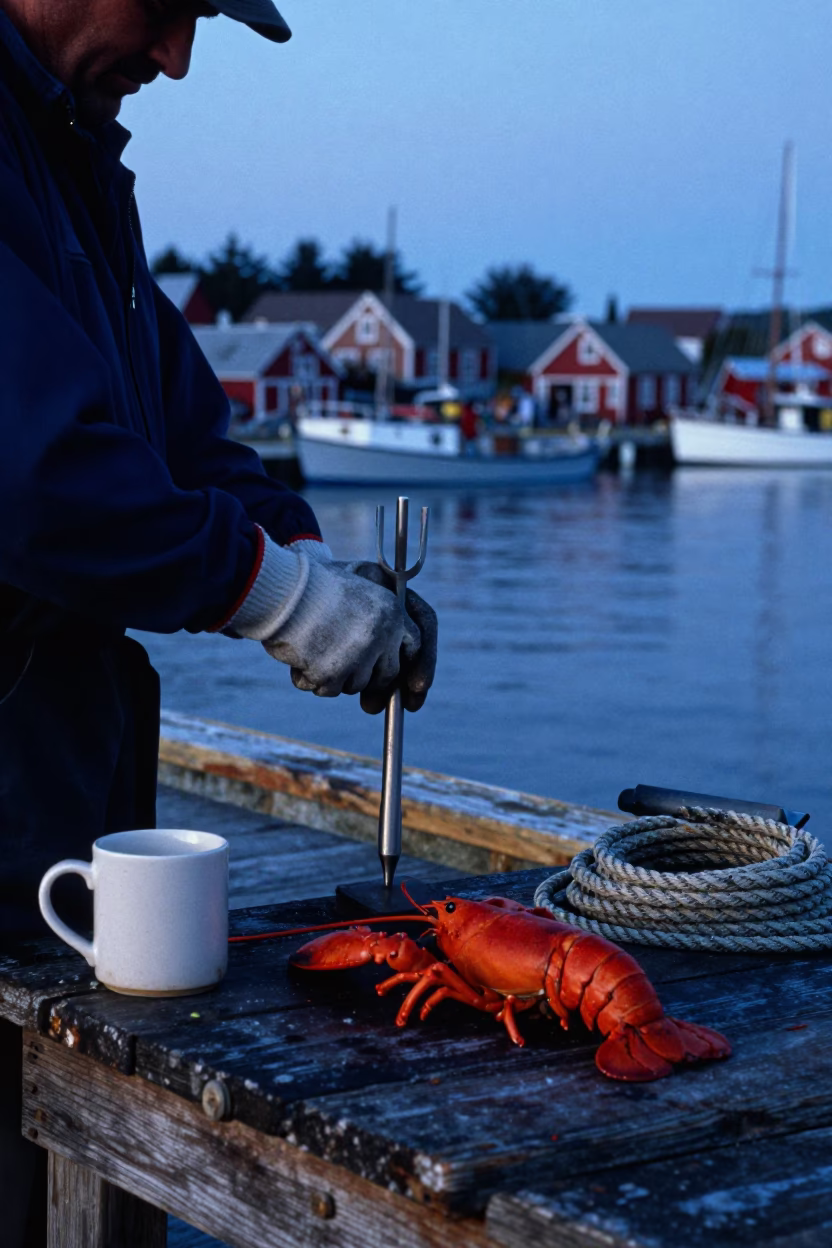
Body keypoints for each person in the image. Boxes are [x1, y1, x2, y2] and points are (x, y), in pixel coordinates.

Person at [0, 2, 437, 1241]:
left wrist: (314, 560)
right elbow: (36, 475)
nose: (180, 57)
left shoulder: (73, 152)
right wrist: (282, 602)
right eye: (169, 2)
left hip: (50, 768)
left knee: (87, 1180)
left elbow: (177, 430)